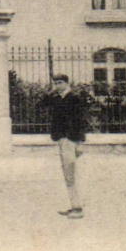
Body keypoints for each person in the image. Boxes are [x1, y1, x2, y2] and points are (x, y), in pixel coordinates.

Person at [43, 73, 91, 218]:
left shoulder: (74, 98)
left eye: (59, 83)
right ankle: (74, 205)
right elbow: (42, 104)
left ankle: (78, 208)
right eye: (55, 83)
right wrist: (51, 93)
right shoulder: (57, 98)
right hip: (62, 139)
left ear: (66, 83)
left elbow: (80, 121)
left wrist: (79, 142)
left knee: (71, 174)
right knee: (67, 174)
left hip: (71, 139)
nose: (57, 86)